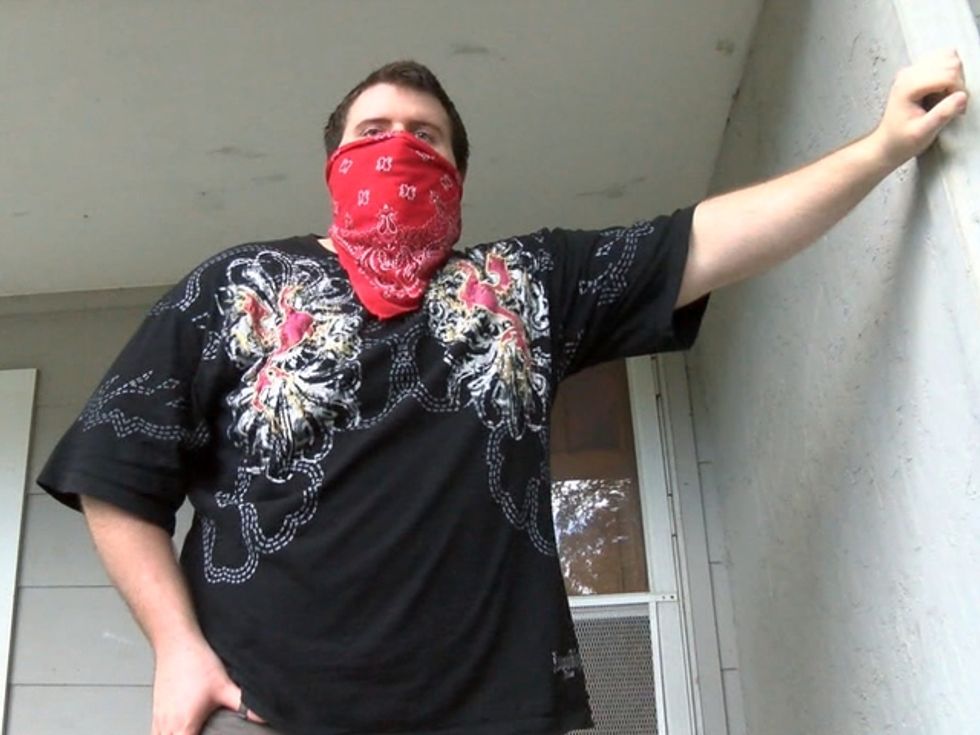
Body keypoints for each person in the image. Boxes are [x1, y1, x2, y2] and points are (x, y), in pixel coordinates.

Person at [38, 53, 967, 735]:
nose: (399, 145)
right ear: (333, 167)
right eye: (373, 132)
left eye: (425, 136)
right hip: (264, 707)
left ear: (457, 176)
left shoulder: (527, 283)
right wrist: (177, 647)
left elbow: (712, 240)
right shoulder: (234, 286)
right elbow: (117, 470)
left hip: (492, 712)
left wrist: (882, 148)